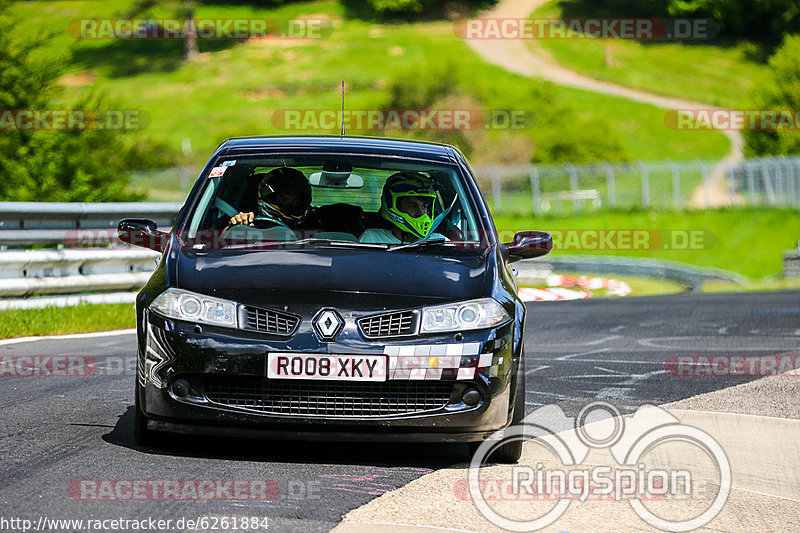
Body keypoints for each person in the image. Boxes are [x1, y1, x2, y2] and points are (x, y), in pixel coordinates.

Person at [359, 171, 448, 244]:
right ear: (392, 205)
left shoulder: (439, 241)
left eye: (424, 206)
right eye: (412, 206)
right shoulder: (372, 239)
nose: (421, 212)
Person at [224, 167, 314, 234]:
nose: (289, 205)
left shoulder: (313, 222)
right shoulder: (249, 221)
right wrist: (234, 227)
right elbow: (217, 244)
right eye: (282, 200)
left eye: (295, 202)